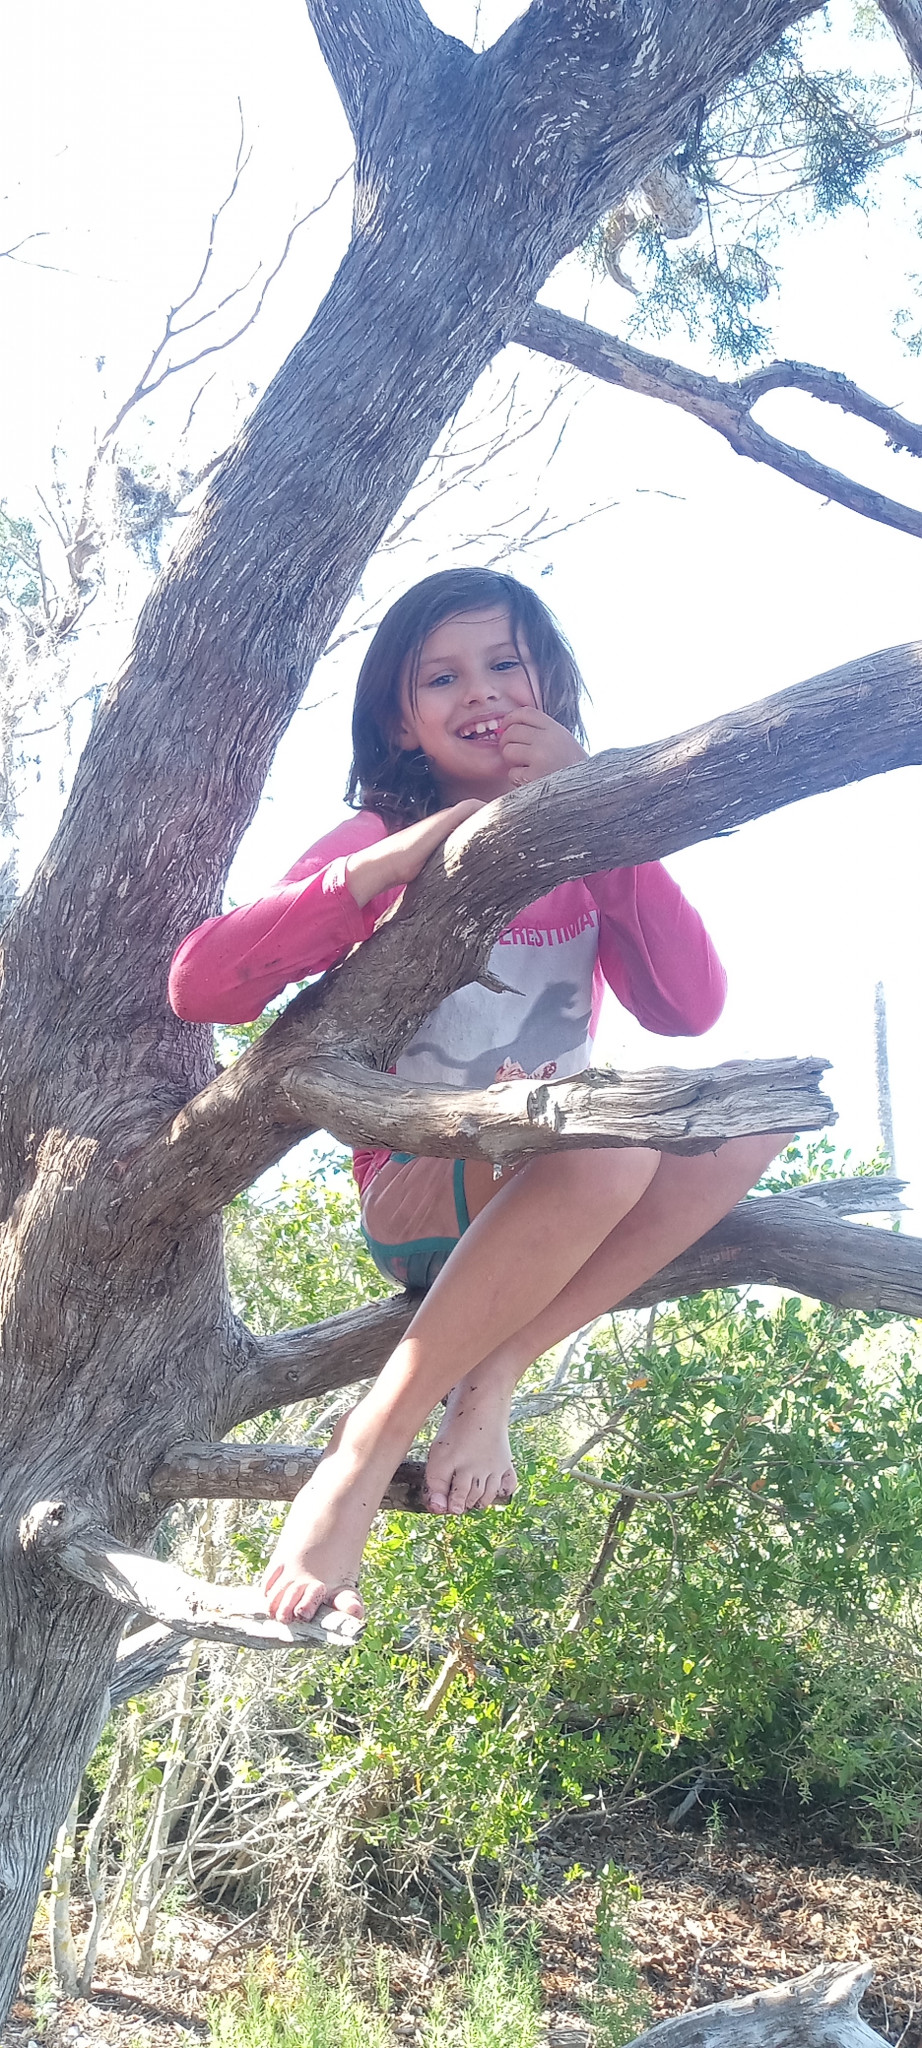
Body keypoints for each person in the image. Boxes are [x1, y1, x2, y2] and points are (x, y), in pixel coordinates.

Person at [169, 568, 787, 1632]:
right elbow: (202, 986)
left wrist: (607, 814)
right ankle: (364, 1446)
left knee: (754, 1115)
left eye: (504, 663)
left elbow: (688, 1007)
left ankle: (494, 1371)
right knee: (604, 1136)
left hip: (561, 1181)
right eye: (441, 677)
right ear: (399, 723)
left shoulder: (597, 855)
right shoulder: (376, 835)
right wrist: (386, 865)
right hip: (422, 1190)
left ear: (551, 684)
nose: (482, 691)